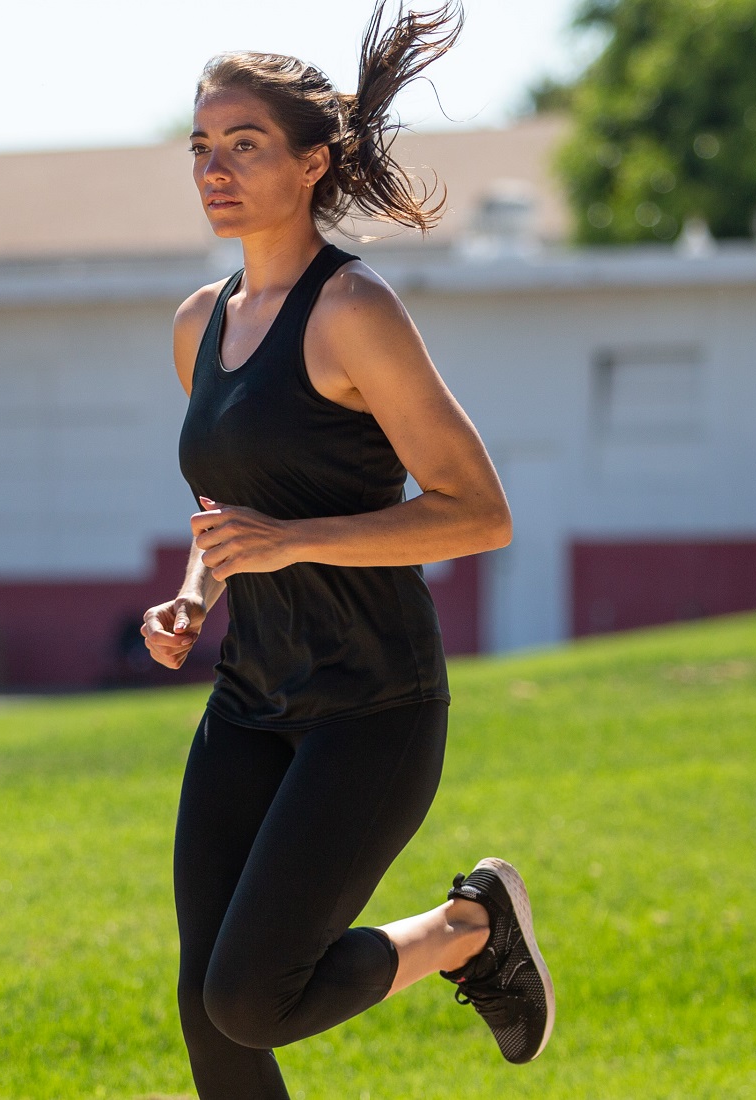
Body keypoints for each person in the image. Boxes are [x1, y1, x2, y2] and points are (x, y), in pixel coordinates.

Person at [141, 3, 554, 1095]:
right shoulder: (199, 322)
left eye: (244, 144)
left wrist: (293, 543)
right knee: (210, 1015)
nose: (214, 169)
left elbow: (479, 511)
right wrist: (194, 592)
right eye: (201, 145)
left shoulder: (353, 311)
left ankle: (470, 929)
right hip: (250, 699)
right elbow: (228, 505)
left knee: (252, 995)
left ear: (311, 162)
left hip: (371, 707)